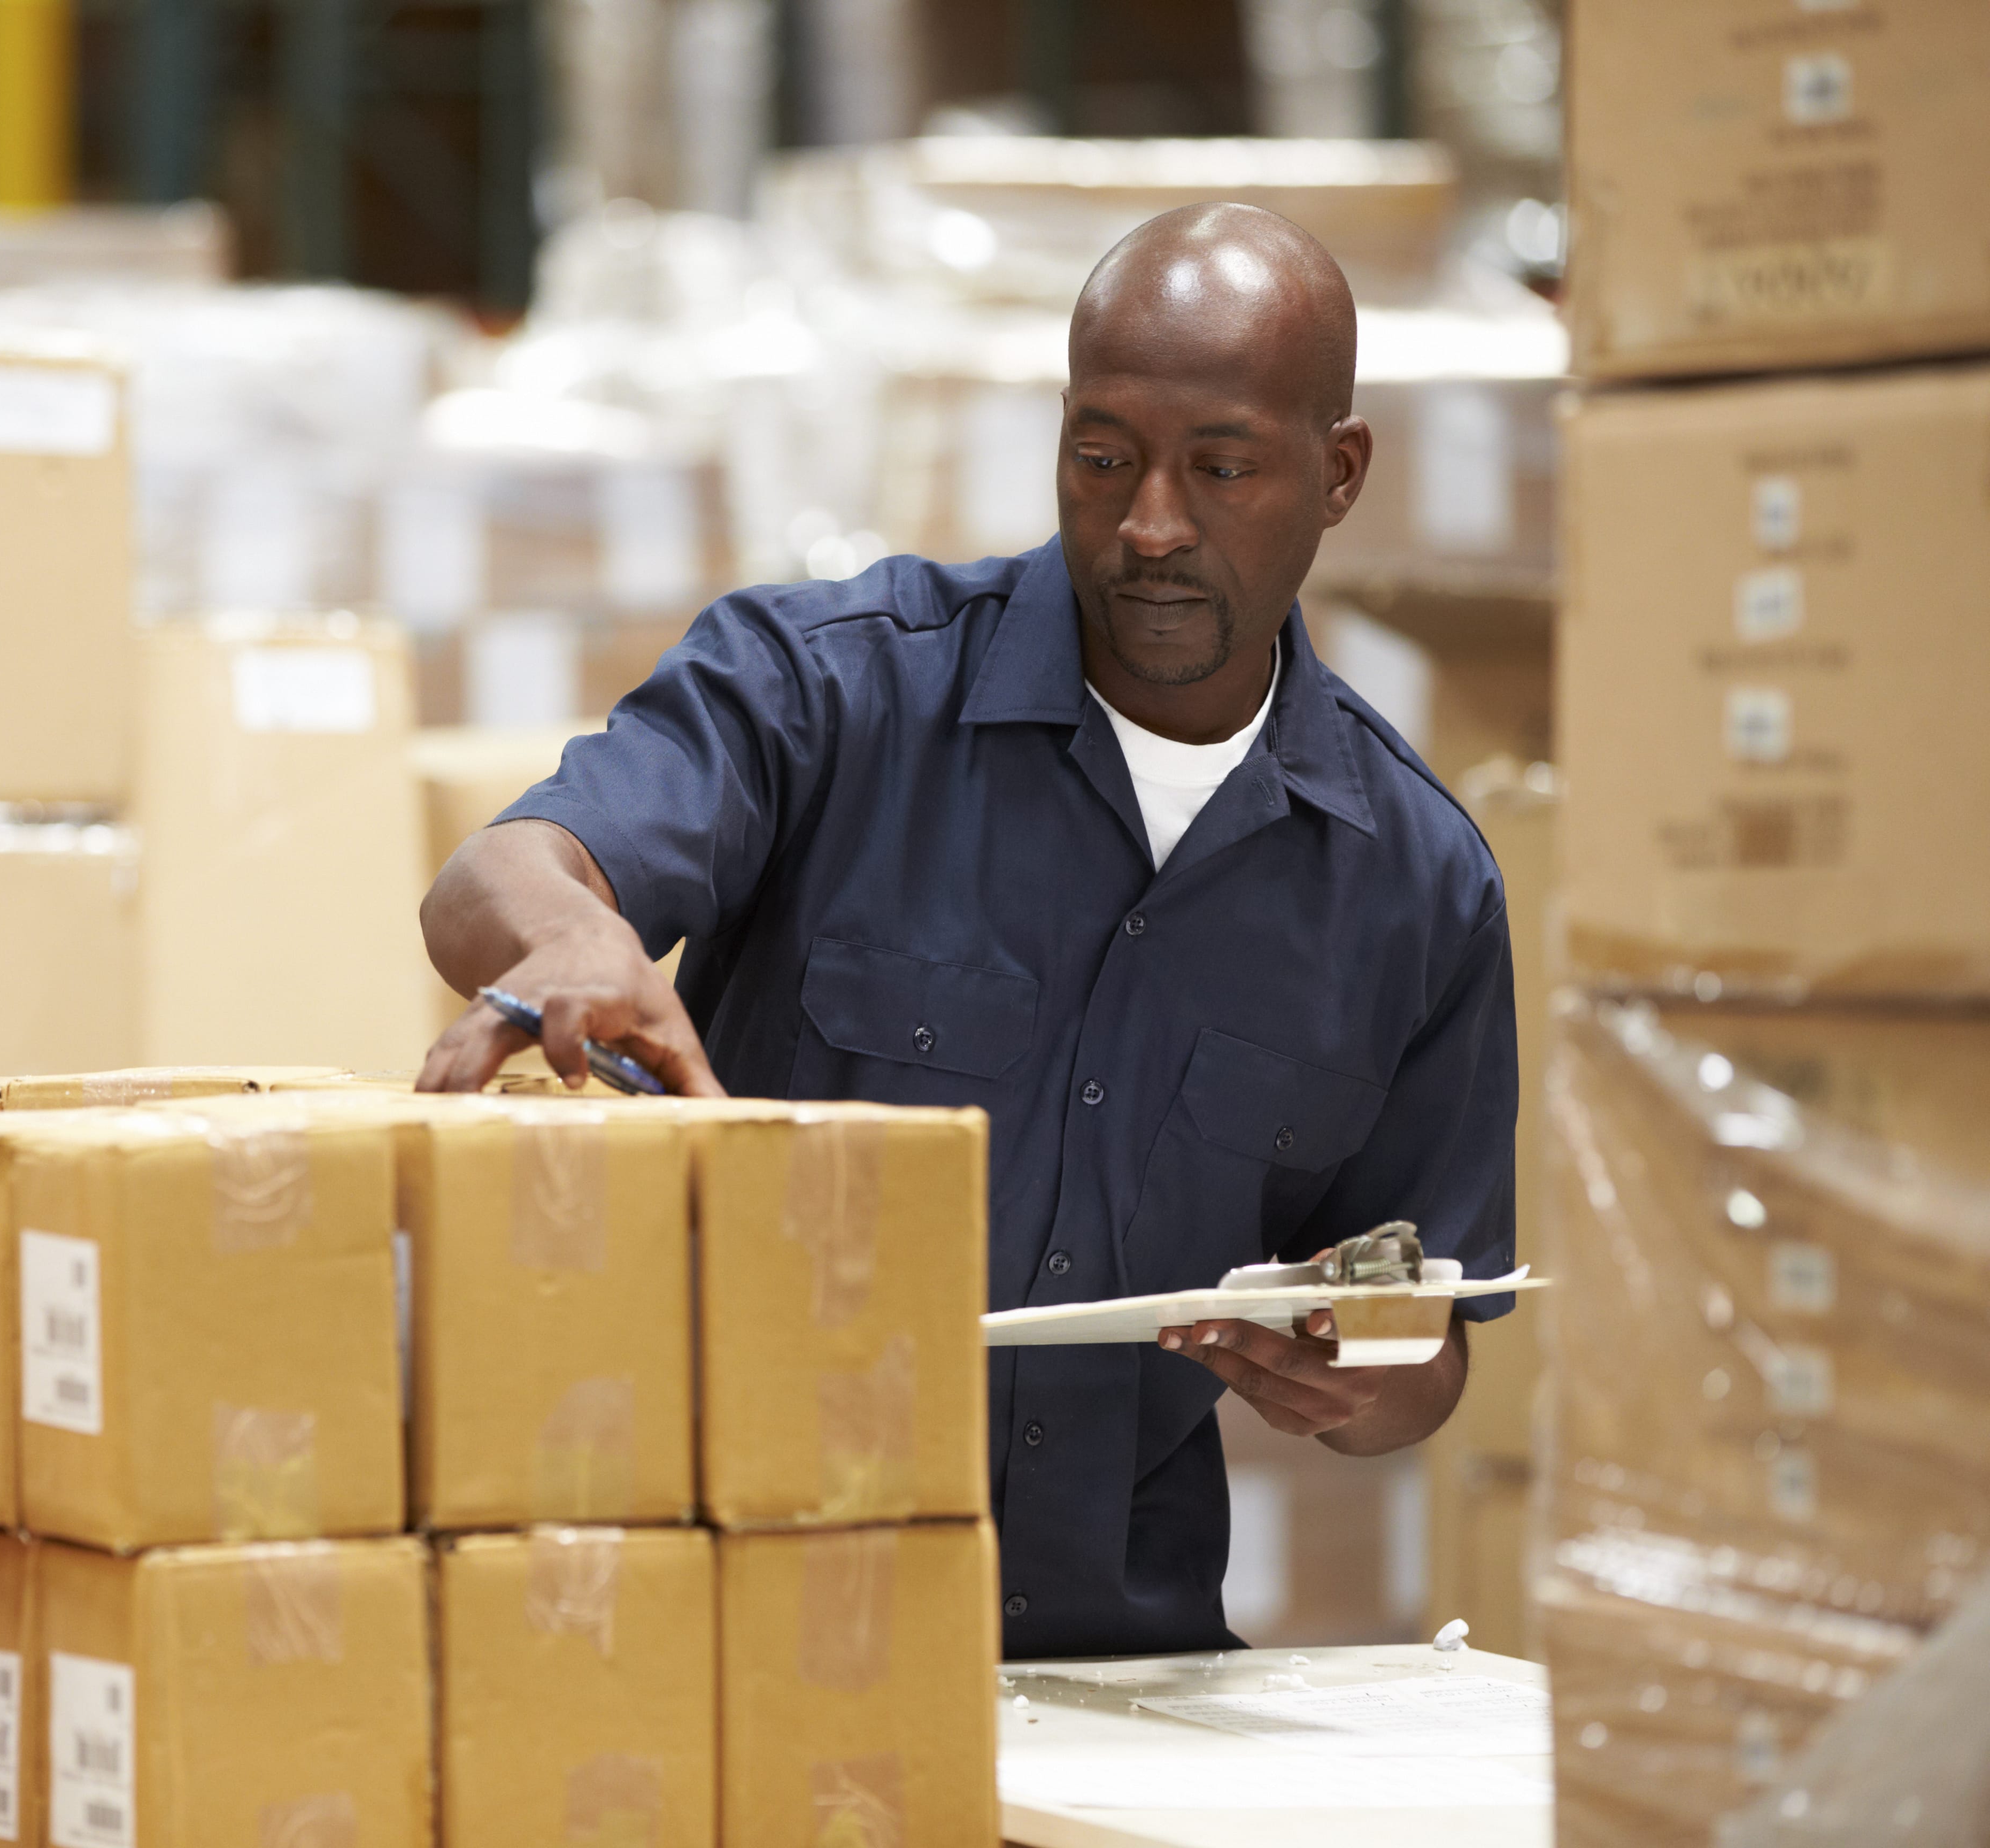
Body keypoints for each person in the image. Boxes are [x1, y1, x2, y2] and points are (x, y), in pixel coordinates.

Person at [414, 203, 1516, 1659]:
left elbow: (1422, 1351)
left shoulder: (1415, 886)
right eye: (1103, 456)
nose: (1152, 525)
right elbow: (498, 875)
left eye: (1224, 467)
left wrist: (1360, 1376)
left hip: (1112, 1673)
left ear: (1341, 473)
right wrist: (569, 939)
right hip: (739, 1637)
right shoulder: (828, 696)